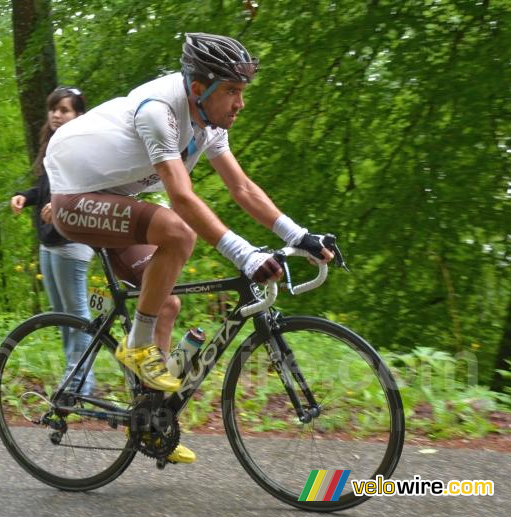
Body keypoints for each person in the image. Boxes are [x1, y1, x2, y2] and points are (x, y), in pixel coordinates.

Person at [45, 33, 334, 463]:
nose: (240, 103)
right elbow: (181, 197)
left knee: (165, 304)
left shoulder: (209, 124)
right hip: (73, 200)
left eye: (241, 91)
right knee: (178, 232)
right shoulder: (160, 111)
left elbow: (241, 187)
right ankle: (137, 346)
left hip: (114, 197)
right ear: (200, 89)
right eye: (233, 92)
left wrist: (298, 235)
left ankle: (151, 420)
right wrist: (246, 255)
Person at [11, 87, 96, 395]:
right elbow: (47, 187)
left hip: (74, 239)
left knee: (77, 315)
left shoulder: (85, 147)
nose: (57, 115)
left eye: (65, 110)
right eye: (54, 109)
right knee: (62, 317)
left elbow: (91, 187)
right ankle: (80, 379)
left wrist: (63, 206)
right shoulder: (53, 145)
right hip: (49, 240)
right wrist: (26, 197)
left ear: (79, 115)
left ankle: (76, 385)